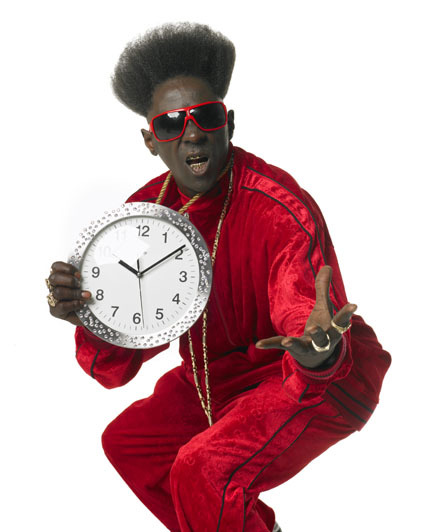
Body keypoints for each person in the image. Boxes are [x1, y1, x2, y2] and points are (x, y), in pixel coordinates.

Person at [46, 22, 391, 532]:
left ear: (227, 123)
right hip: (218, 382)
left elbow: (299, 298)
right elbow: (118, 364)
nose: (192, 134)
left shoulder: (276, 206)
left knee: (202, 469)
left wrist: (315, 348)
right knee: (131, 446)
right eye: (171, 124)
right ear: (150, 141)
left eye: (205, 116)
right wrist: (89, 313)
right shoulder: (143, 215)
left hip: (310, 378)